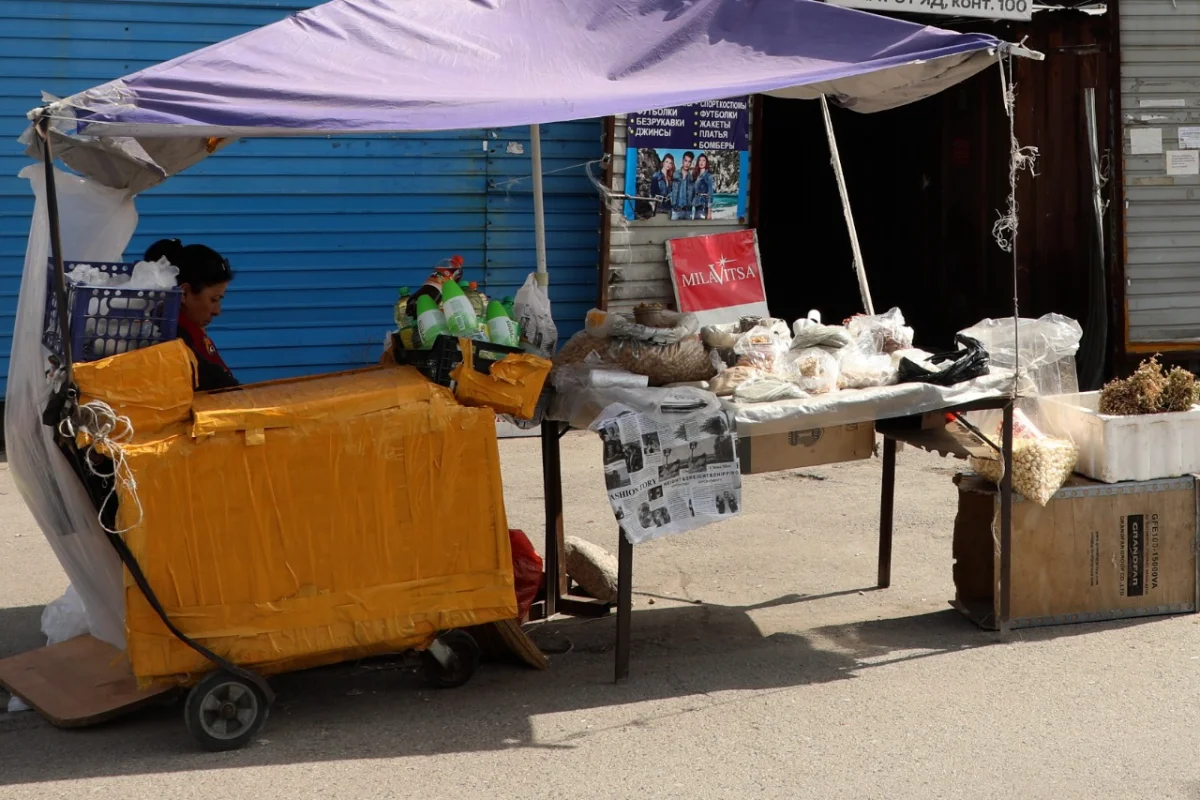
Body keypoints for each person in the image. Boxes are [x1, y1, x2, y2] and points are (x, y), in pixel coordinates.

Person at [144, 238, 239, 392]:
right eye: (214, 300)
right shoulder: (173, 340)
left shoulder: (190, 329)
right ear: (185, 293)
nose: (217, 311)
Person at [671, 151, 697, 220]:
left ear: (691, 163)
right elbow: (669, 191)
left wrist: (692, 204)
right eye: (686, 161)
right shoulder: (674, 174)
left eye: (689, 162)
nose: (687, 163)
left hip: (688, 211)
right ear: (682, 161)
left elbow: (694, 194)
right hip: (675, 210)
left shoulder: (692, 178)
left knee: (688, 231)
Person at [692, 154, 713, 220]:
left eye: (703, 160)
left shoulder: (708, 176)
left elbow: (710, 194)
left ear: (706, 162)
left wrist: (709, 213)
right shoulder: (696, 175)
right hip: (697, 205)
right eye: (700, 160)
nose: (701, 162)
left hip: (703, 205)